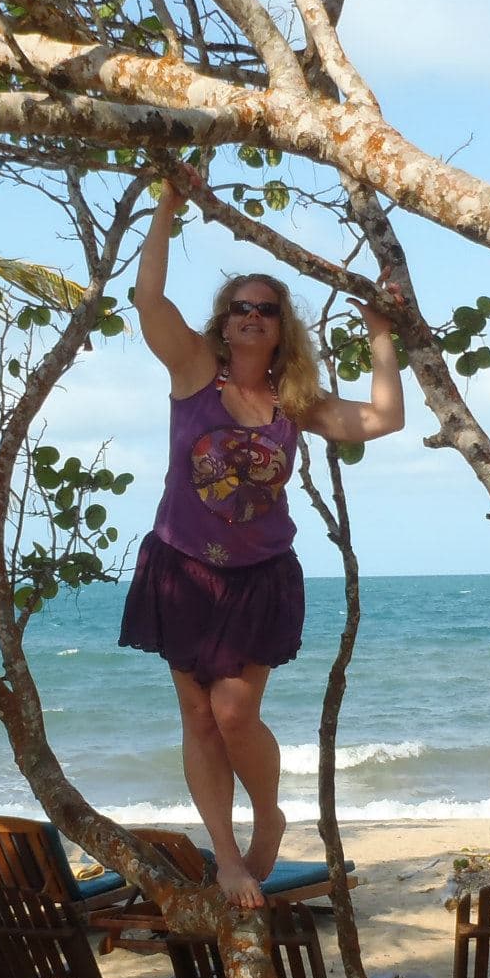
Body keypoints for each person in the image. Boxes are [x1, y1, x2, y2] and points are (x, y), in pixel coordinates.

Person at [118, 175, 407, 907]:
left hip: (258, 576)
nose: (251, 316)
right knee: (197, 716)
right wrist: (168, 205)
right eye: (240, 307)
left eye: (266, 309)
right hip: (182, 568)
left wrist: (380, 334)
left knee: (234, 713)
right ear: (224, 322)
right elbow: (148, 300)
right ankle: (227, 857)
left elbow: (384, 419)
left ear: (282, 329)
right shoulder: (193, 372)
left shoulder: (293, 401)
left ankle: (269, 813)